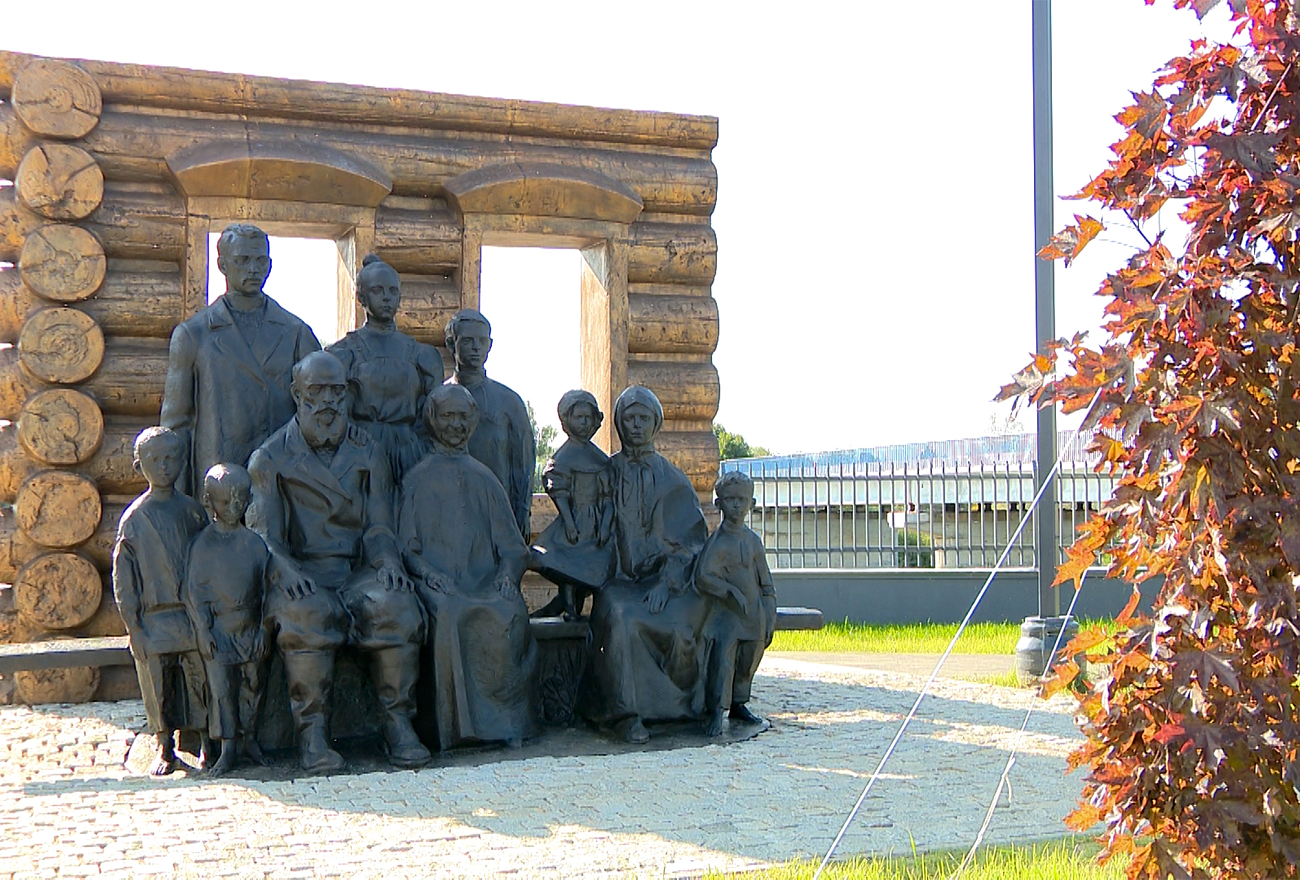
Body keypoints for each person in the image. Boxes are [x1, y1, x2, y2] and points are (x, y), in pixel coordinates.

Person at [247, 351, 429, 774]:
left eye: (336, 391)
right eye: (317, 391)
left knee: (397, 606)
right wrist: (286, 570)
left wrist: (387, 564)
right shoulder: (269, 458)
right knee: (308, 614)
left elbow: (380, 526)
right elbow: (264, 538)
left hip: (356, 572)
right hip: (301, 573)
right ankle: (312, 736)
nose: (328, 401)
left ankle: (397, 723)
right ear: (297, 394)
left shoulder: (369, 451)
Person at [399, 385, 538, 750]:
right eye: (447, 416)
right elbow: (406, 548)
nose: (455, 424)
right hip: (436, 584)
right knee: (448, 612)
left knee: (507, 609)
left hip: (484, 581)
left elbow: (512, 547)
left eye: (463, 417)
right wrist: (428, 574)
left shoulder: (485, 478)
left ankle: (508, 725)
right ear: (433, 420)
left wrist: (507, 576)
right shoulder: (416, 478)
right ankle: (452, 730)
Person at [577, 386, 711, 744]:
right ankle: (623, 714)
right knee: (619, 615)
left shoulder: (673, 479)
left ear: (656, 424)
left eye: (643, 418)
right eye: (629, 418)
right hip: (618, 581)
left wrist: (666, 582)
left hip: (668, 582)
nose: (636, 425)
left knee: (682, 624)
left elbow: (692, 543)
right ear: (620, 423)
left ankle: (682, 707)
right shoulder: (606, 473)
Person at [161, 223, 321, 497]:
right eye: (243, 260)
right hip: (217, 485)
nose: (253, 269)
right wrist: (174, 502)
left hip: (281, 486)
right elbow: (176, 426)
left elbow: (317, 412)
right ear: (222, 265)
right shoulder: (193, 335)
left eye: (261, 260)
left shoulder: (296, 333)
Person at [112, 426, 211, 775]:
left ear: (182, 462)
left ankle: (204, 740)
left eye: (171, 459)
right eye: (155, 460)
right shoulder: (135, 520)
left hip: (190, 616)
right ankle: (164, 744)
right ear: (140, 466)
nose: (165, 466)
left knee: (200, 678)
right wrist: (134, 626)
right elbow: (123, 579)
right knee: (157, 684)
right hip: (153, 620)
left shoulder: (193, 513)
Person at [183, 463, 272, 776]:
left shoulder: (255, 544)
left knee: (254, 685)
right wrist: (204, 631)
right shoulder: (202, 547)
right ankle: (229, 745)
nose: (234, 508)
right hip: (219, 631)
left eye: (240, 501)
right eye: (225, 501)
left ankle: (250, 737)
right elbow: (194, 595)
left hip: (251, 627)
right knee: (222, 690)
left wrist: (263, 628)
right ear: (210, 502)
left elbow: (267, 590)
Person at [327, 254, 445, 487]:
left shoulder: (421, 355)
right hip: (359, 455)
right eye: (378, 290)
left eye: (392, 291)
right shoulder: (342, 353)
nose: (386, 298)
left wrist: (417, 447)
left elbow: (430, 414)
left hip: (410, 457)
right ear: (362, 296)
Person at [695, 470, 777, 736]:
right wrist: (728, 590)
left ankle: (740, 703)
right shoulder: (717, 543)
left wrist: (769, 615)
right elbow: (703, 576)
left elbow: (766, 584)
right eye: (731, 500)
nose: (737, 505)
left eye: (742, 500)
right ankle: (716, 710)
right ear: (719, 504)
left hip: (753, 615)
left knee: (748, 660)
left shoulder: (753, 542)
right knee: (723, 662)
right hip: (726, 617)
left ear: (751, 504)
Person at [444, 309, 534, 538]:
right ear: (451, 343)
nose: (476, 347)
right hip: (449, 513)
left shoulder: (508, 401)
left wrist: (522, 512)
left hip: (497, 515)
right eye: (468, 341)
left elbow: (523, 462)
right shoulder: (437, 400)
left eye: (482, 341)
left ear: (490, 345)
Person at [530, 389, 615, 620]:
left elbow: (608, 497)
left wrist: (606, 524)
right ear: (567, 421)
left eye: (588, 417)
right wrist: (568, 522)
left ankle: (597, 613)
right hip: (574, 520)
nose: (584, 422)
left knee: (594, 567)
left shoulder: (600, 460)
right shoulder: (564, 457)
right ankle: (568, 609)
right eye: (579, 417)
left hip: (595, 524)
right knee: (566, 565)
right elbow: (559, 492)